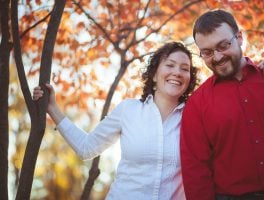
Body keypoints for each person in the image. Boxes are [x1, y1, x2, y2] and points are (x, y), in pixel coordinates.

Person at [33, 41, 198, 200]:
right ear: (154, 74)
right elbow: (86, 148)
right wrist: (52, 109)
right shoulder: (128, 110)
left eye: (185, 69)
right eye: (170, 65)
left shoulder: (195, 119)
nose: (177, 72)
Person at [180, 9, 264, 200]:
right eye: (207, 52)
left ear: (239, 37)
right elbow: (195, 170)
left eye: (223, 45)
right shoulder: (197, 103)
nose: (217, 57)